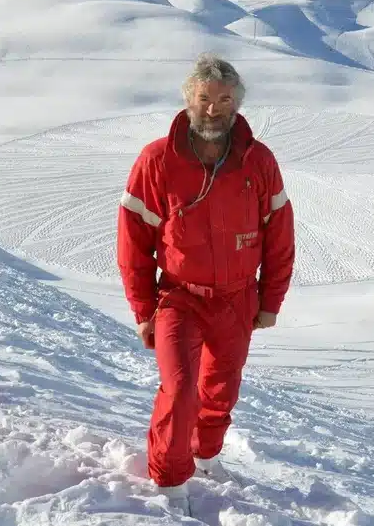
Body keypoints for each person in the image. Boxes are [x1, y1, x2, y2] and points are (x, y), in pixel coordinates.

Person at [116, 52, 296, 515]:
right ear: (188, 100)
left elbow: (279, 233)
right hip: (178, 297)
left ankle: (205, 455)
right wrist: (142, 310)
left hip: (238, 298)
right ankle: (171, 482)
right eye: (205, 98)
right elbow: (133, 242)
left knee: (221, 387)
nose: (214, 108)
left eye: (224, 99)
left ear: (237, 104)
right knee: (179, 389)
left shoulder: (257, 161)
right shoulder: (157, 160)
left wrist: (270, 300)